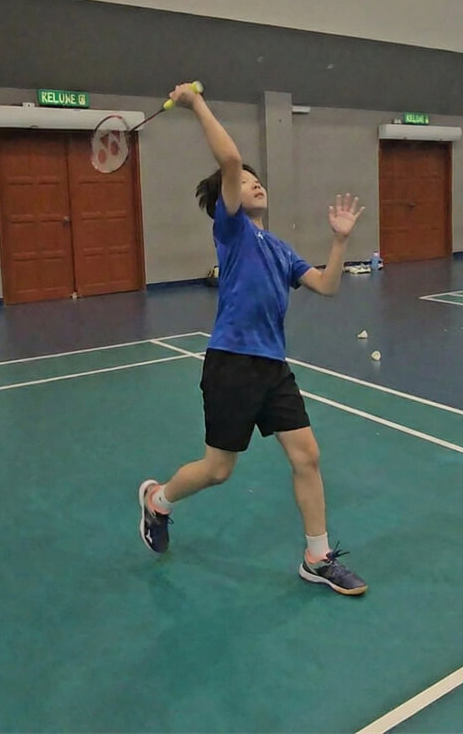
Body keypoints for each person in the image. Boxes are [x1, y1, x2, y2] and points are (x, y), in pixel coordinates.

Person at [138, 83, 367, 596]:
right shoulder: (233, 230)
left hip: (272, 366)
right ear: (229, 194)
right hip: (232, 362)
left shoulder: (280, 248)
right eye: (244, 181)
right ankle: (159, 501)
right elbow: (230, 157)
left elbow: (326, 286)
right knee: (218, 470)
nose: (253, 183)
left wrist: (339, 240)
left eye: (257, 180)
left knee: (306, 455)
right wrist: (196, 104)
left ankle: (317, 556)